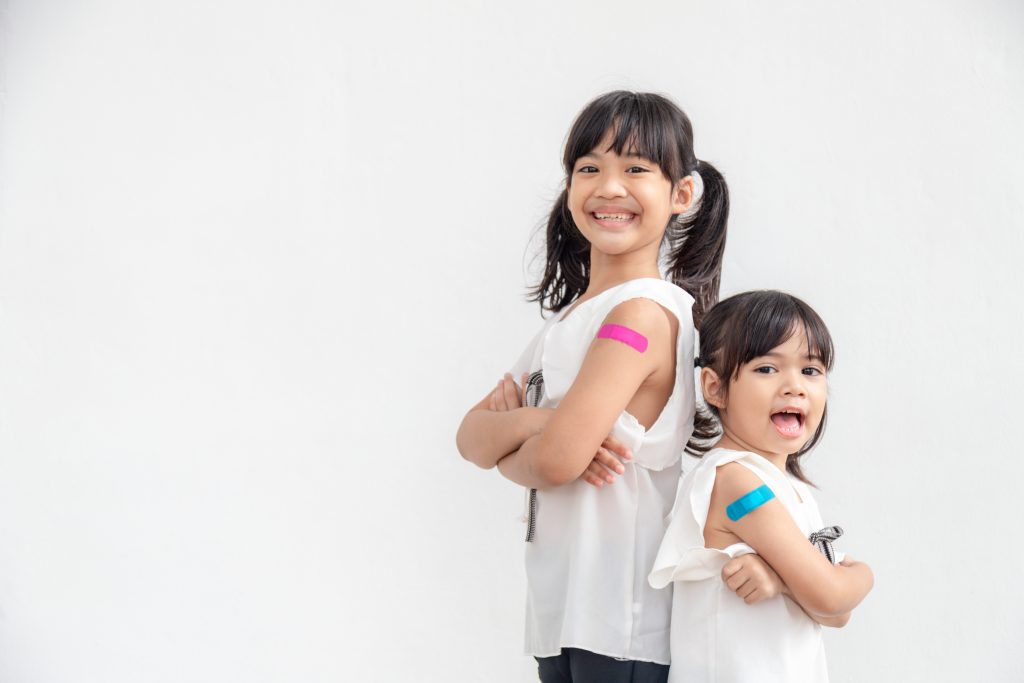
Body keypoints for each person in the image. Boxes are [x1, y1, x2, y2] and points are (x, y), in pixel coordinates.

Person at [457, 91, 779, 682]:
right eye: (589, 169)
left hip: (618, 622)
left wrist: (527, 441)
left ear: (681, 194)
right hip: (561, 612)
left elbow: (553, 463)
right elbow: (469, 438)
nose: (609, 187)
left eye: (635, 168)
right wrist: (541, 425)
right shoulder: (572, 321)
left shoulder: (639, 316)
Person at [649, 290, 874, 683]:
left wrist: (782, 582)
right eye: (767, 369)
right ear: (714, 388)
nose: (794, 387)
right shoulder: (736, 481)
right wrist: (865, 573)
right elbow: (832, 595)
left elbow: (837, 615)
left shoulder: (787, 489)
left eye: (810, 370)